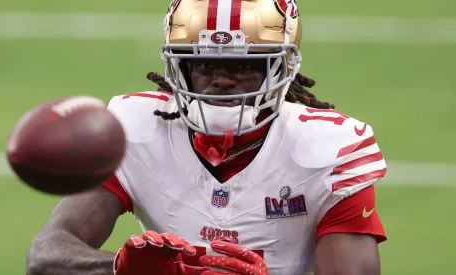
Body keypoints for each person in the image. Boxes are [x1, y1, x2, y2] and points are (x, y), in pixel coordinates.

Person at [26, 0, 388, 274]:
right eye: (204, 63)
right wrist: (122, 267)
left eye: (245, 65)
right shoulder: (135, 129)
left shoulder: (328, 148)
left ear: (282, 68)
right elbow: (47, 254)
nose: (222, 80)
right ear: (179, 67)